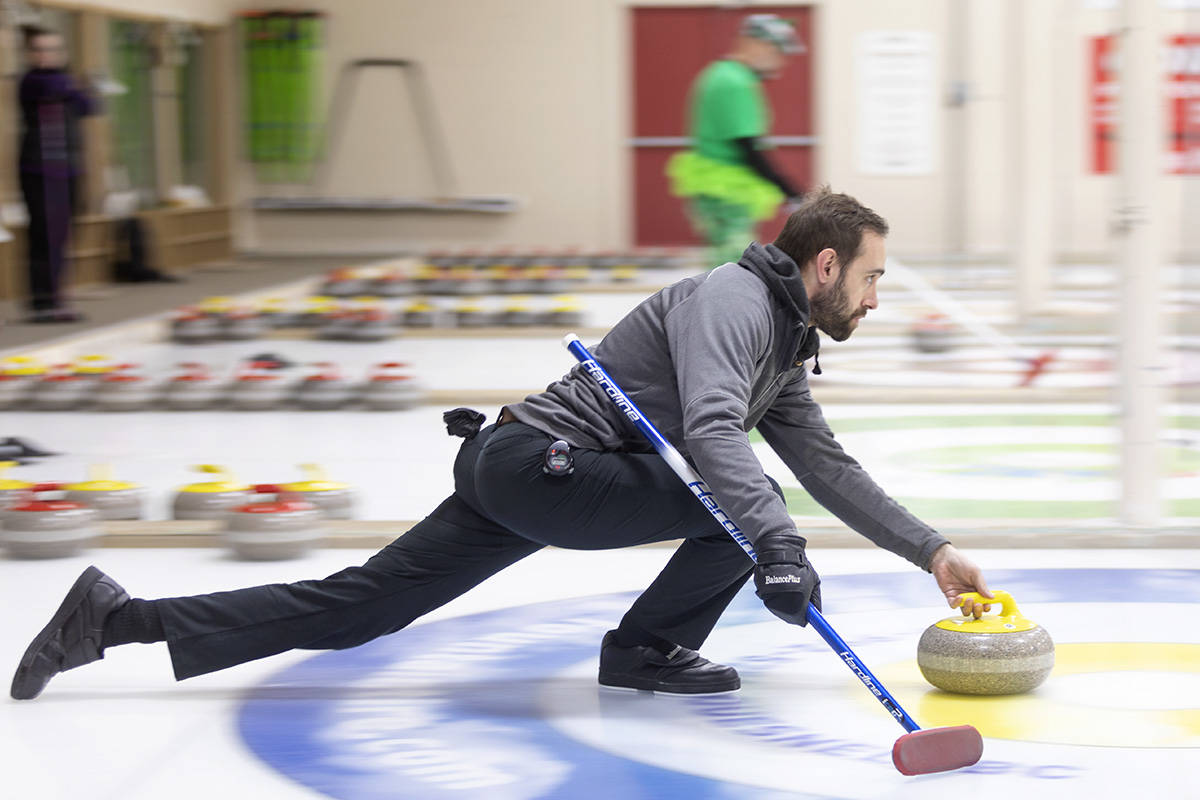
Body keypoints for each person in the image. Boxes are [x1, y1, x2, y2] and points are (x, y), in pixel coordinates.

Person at [11, 187, 993, 701]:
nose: (876, 296)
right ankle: (647, 647)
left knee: (361, 608)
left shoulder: (784, 343)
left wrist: (931, 550)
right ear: (824, 263)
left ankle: (111, 618)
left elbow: (826, 466)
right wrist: (773, 542)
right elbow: (706, 435)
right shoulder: (737, 301)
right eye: (870, 277)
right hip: (541, 463)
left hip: (526, 464)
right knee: (738, 511)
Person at [668, 13, 808, 267]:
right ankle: (721, 306)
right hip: (726, 189)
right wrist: (789, 190)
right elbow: (749, 147)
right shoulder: (735, 82)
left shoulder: (721, 74)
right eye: (778, 52)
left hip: (716, 185)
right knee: (731, 264)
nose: (781, 62)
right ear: (756, 44)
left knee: (727, 258)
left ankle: (721, 303)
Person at [17, 25, 98, 323]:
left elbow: (90, 106)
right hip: (39, 169)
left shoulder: (64, 82)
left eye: (51, 49)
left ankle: (57, 296)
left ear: (61, 53)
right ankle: (43, 301)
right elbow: (56, 88)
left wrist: (79, 87)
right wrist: (77, 83)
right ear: (30, 53)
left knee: (64, 234)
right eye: (39, 49)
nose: (44, 55)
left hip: (67, 168)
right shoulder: (30, 81)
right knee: (44, 234)